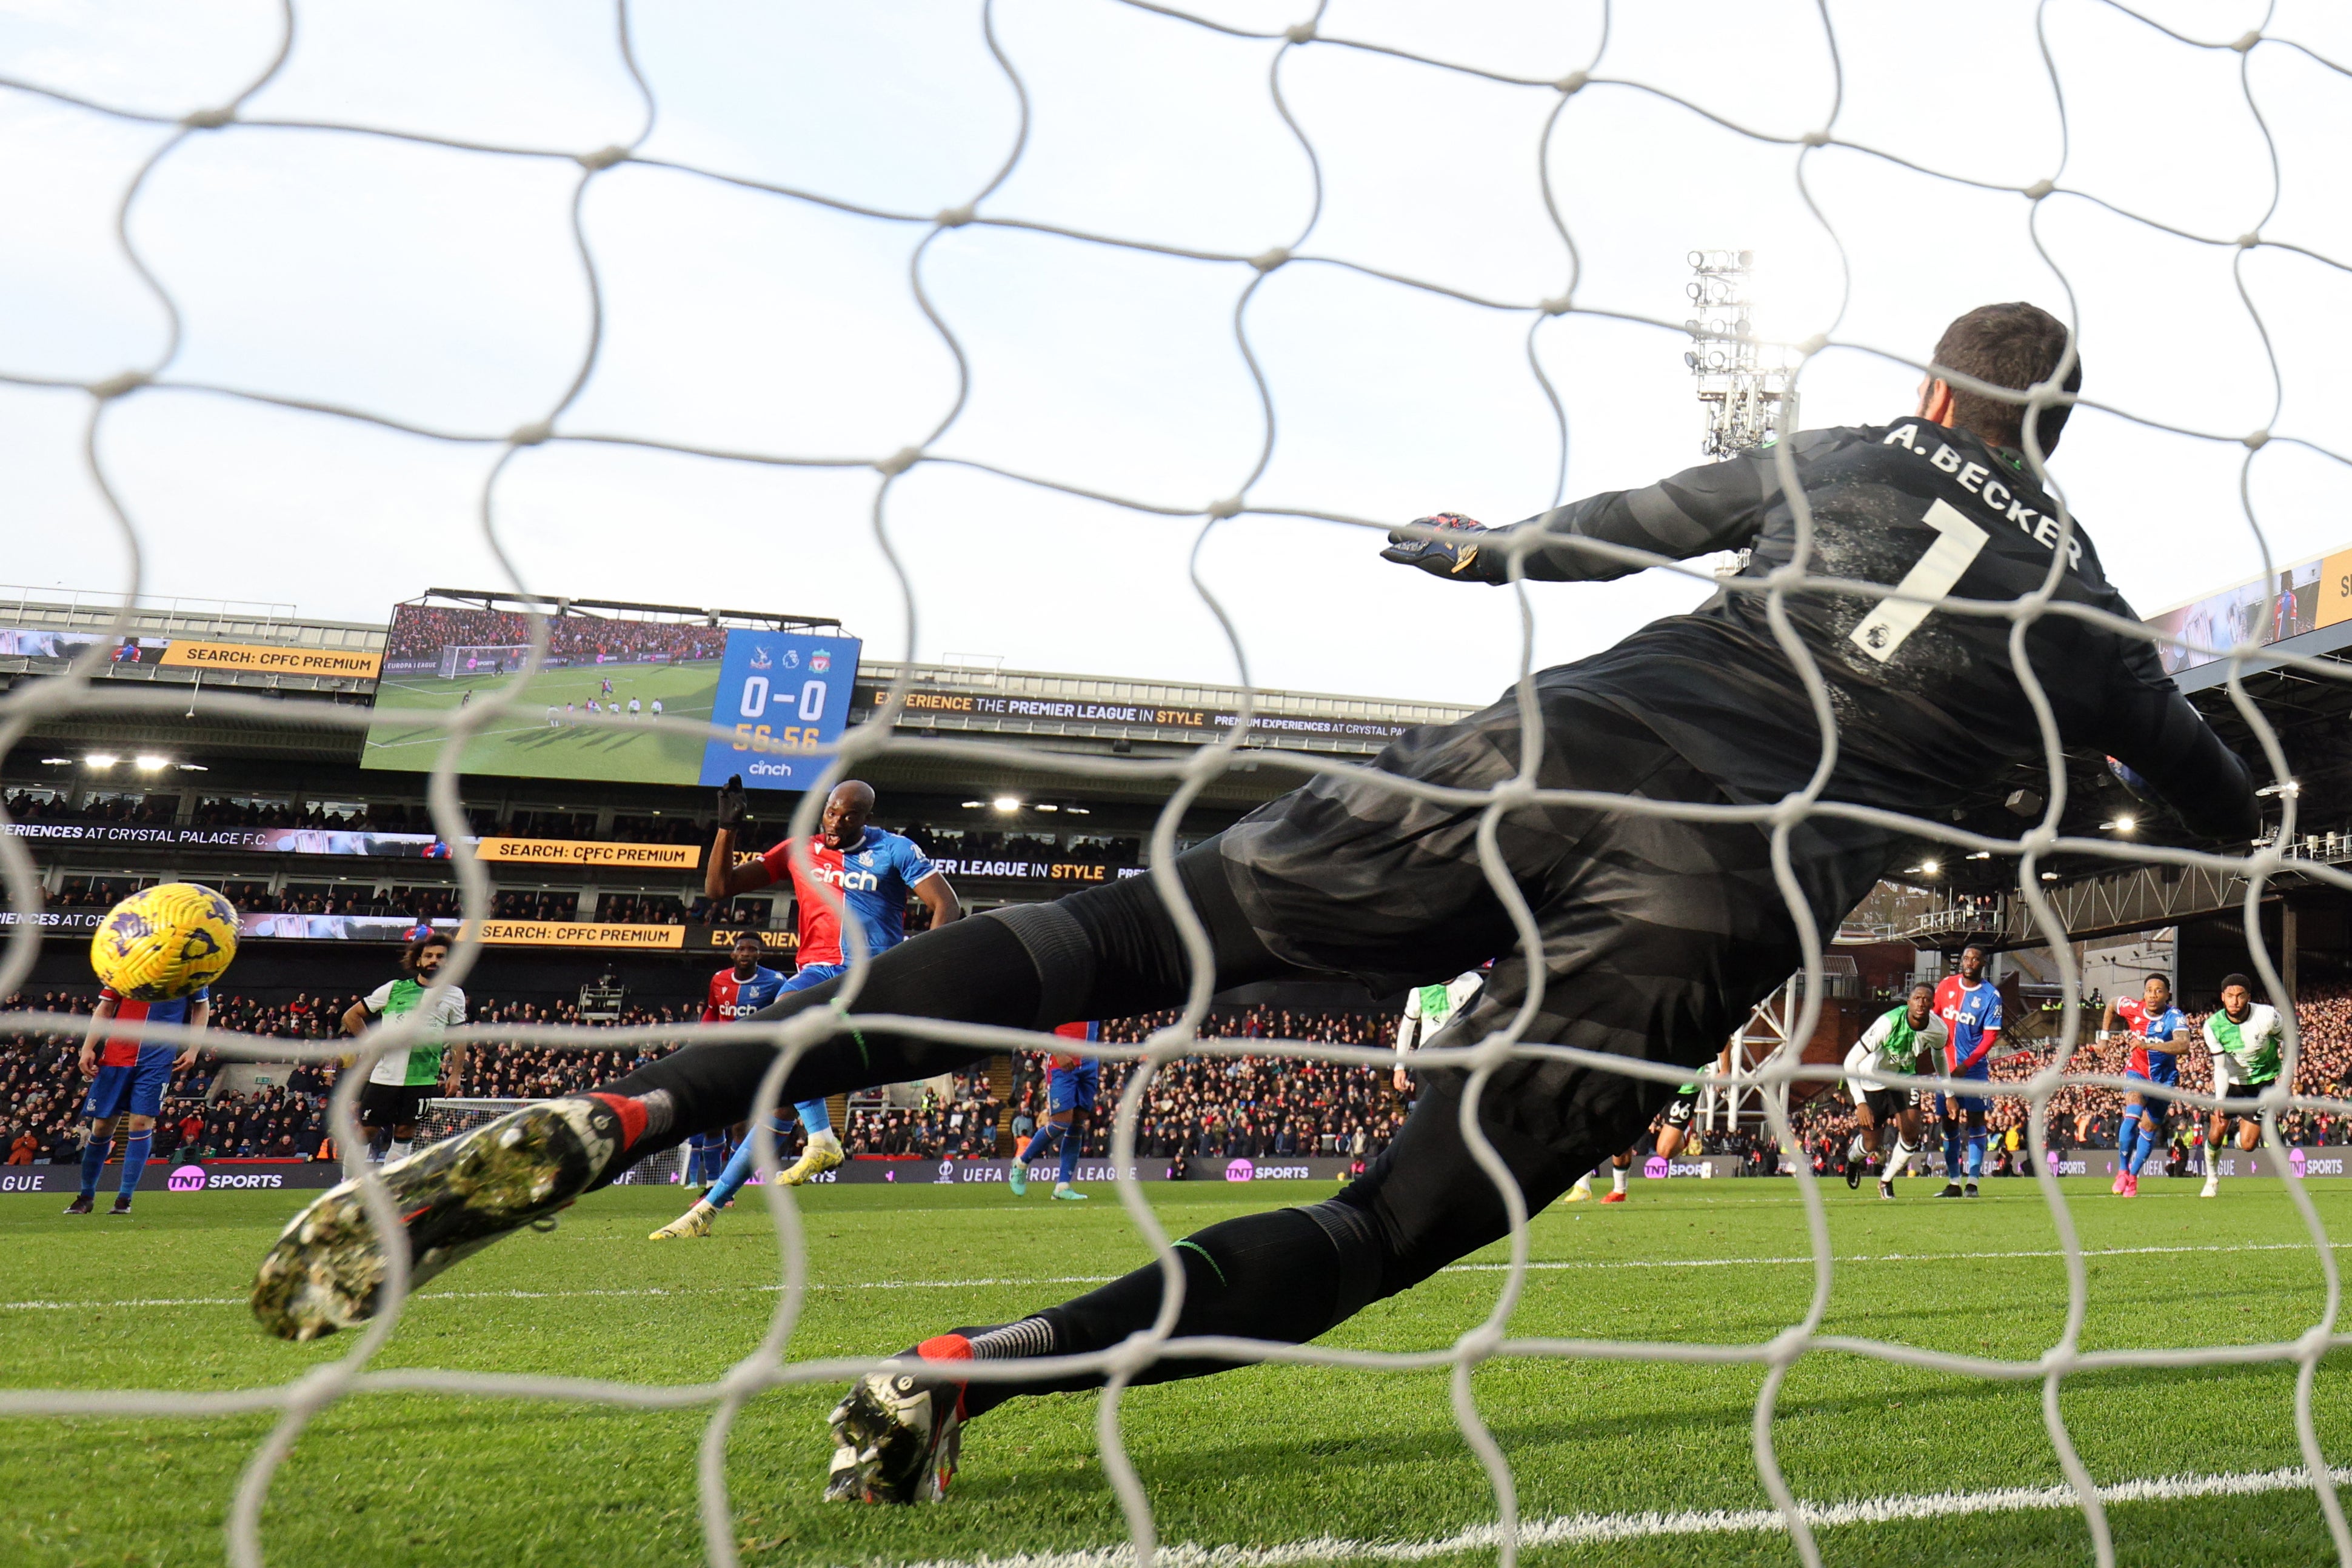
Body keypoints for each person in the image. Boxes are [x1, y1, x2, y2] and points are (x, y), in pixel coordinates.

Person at [250, 303, 2258, 1503]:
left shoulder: (1821, 452)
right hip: (1712, 896)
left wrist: (1465, 550)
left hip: (1548, 746)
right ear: (2063, 428)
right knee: (1393, 1220)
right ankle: (970, 1367)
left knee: (1140, 936)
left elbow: (1579, 538)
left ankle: (620, 1115)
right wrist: (2146, 782)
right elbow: (2220, 790)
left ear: (1936, 388)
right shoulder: (2085, 605)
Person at [660, 776, 962, 1208]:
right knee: (785, 1093)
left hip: (872, 975)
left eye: (848, 815)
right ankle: (710, 1205)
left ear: (867, 818)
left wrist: (923, 971)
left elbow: (946, 905)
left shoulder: (895, 849)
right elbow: (718, 888)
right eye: (831, 811)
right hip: (819, 972)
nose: (836, 821)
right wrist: (727, 829)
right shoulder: (800, 850)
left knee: (787, 1020)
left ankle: (819, 1138)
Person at [647, 933, 792, 1239]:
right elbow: (713, 1011)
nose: (747, 953)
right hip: (721, 1056)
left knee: (739, 1126)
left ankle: (728, 1187)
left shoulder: (776, 982)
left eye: (753, 950)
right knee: (712, 1123)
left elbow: (784, 1013)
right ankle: (713, 1184)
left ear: (759, 956)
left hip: (753, 1059)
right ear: (733, 953)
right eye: (742, 949)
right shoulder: (718, 980)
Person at [66, 983, 207, 1215]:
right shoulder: (126, 965)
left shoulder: (190, 967)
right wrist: (88, 1047)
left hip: (157, 1060)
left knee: (141, 1122)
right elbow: (106, 1007)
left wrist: (194, 1049)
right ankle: (86, 1195)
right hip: (115, 1057)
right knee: (101, 1127)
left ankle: (125, 1198)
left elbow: (201, 1007)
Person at [343, 933, 467, 1165]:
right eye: (428, 956)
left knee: (404, 1135)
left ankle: (392, 1192)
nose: (434, 960)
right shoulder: (394, 989)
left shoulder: (454, 995)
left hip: (422, 1078)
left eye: (441, 956)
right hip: (385, 1075)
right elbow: (351, 1016)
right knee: (366, 1133)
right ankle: (346, 1186)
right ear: (418, 961)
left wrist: (456, 1073)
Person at [1844, 984, 1945, 1199]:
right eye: (1916, 998)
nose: (1921, 1003)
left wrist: (1950, 1092)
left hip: (1905, 1079)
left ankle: (1886, 1181)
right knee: (1872, 1143)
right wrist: (1861, 1103)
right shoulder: (1887, 1023)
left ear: (1932, 1005)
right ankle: (1852, 1160)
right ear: (1908, 1002)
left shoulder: (1939, 1029)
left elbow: (1939, 1056)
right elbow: (1850, 1061)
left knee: (1911, 1134)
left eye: (1926, 999)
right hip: (1874, 1080)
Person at [2199, 973, 2285, 1199]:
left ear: (2248, 997)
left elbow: (2289, 1040)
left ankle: (2239, 1134)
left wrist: (2286, 1076)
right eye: (2230, 996)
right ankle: (2212, 1179)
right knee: (2217, 1131)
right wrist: (2219, 1099)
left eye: (2239, 996)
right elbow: (2220, 1068)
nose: (2234, 1001)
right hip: (2231, 1083)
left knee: (2248, 1146)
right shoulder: (2213, 1026)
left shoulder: (2267, 1016)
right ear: (2223, 997)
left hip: (2262, 1084)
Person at [2101, 973, 2187, 1197]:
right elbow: (2111, 1005)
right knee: (2133, 1113)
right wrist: (2104, 1037)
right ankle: (2122, 1170)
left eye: (2159, 991)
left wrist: (2149, 1045)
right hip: (2137, 1073)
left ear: (2167, 995)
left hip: (2164, 1081)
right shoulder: (2133, 1008)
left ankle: (2133, 1176)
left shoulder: (2174, 1017)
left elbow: (2183, 1044)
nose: (2153, 995)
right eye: (2149, 990)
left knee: (2148, 1129)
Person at [1932, 946, 2001, 1198]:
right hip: (1946, 1069)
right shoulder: (1946, 986)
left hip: (1974, 1071)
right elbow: (1933, 1019)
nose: (1969, 962)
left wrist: (1967, 1064)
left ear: (1983, 963)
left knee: (1976, 1121)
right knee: (1948, 1123)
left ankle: (1972, 1182)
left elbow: (1990, 1036)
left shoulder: (1991, 996)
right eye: (1965, 958)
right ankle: (1953, 1182)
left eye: (1975, 959)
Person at [1008, 1021, 1097, 1201]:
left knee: (1077, 1125)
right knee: (1060, 1123)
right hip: (1062, 1065)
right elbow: (1041, 1029)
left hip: (1090, 1064)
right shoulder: (1063, 997)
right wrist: (1059, 1053)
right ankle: (1021, 1163)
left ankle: (1063, 1186)